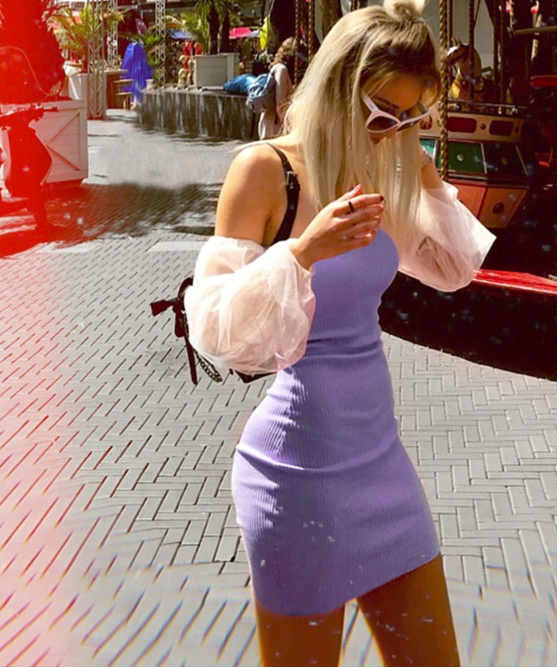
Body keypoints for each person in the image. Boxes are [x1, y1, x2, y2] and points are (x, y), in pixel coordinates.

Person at [184, 0, 496, 665]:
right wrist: (301, 253)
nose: (391, 130)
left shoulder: (381, 167)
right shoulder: (265, 170)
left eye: (408, 115)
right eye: (382, 113)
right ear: (336, 87)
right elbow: (213, 326)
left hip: (381, 464)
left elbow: (454, 268)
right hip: (297, 477)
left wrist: (415, 152)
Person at [258, 38, 296, 140]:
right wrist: (288, 126)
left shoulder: (276, 68)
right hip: (274, 126)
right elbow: (280, 103)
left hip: (270, 122)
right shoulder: (281, 70)